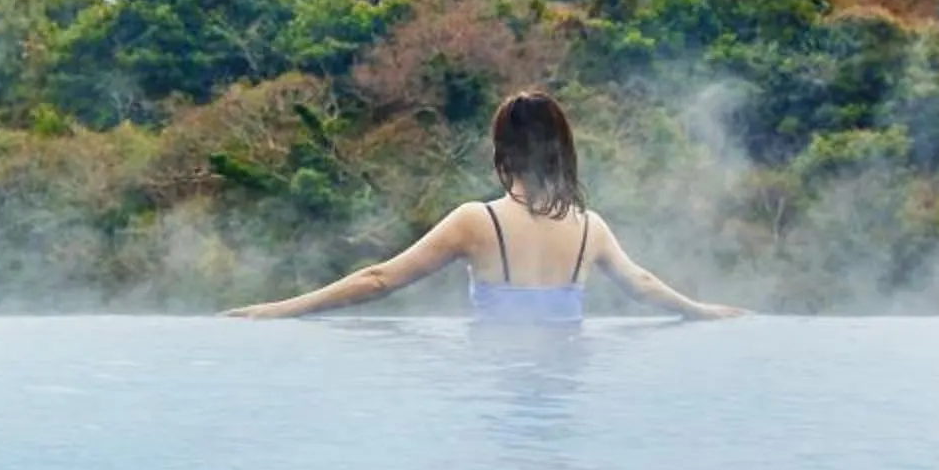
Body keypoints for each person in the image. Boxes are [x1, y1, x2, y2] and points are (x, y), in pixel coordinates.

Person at [221, 90, 746, 321]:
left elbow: (379, 281)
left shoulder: (479, 221)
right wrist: (704, 312)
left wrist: (279, 310)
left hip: (494, 388)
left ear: (501, 152)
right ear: (563, 150)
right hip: (568, 395)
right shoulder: (591, 229)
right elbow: (646, 288)